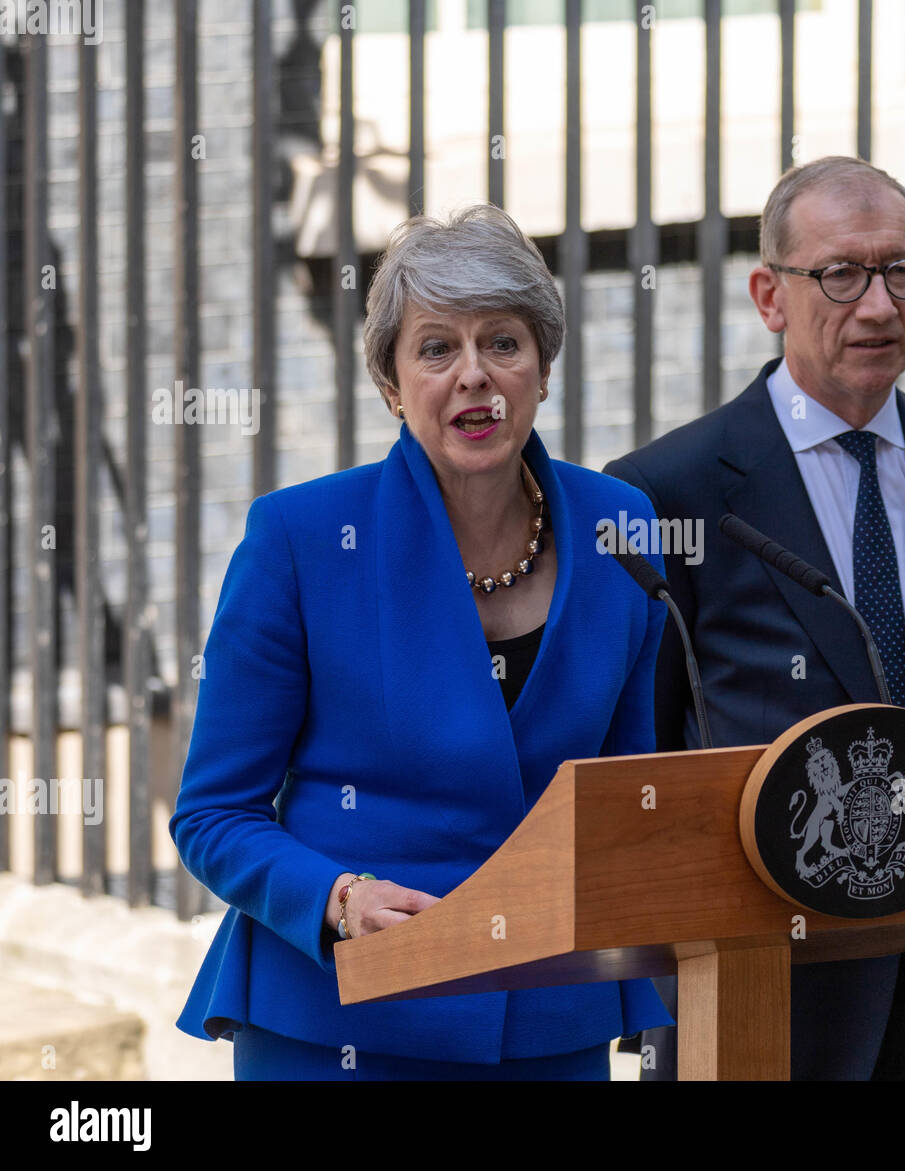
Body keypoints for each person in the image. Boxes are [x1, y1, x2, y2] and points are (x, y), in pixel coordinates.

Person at [170, 205, 672, 1080]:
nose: (473, 375)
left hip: (552, 1019)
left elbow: (627, 788)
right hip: (341, 1021)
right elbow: (213, 813)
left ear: (543, 369)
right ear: (393, 386)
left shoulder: (620, 527)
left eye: (503, 343)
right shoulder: (300, 538)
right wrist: (339, 898)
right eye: (436, 348)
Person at [605, 156, 905, 1080]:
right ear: (770, 294)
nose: (878, 305)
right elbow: (651, 750)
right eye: (841, 274)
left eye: (901, 272)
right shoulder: (667, 489)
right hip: (772, 988)